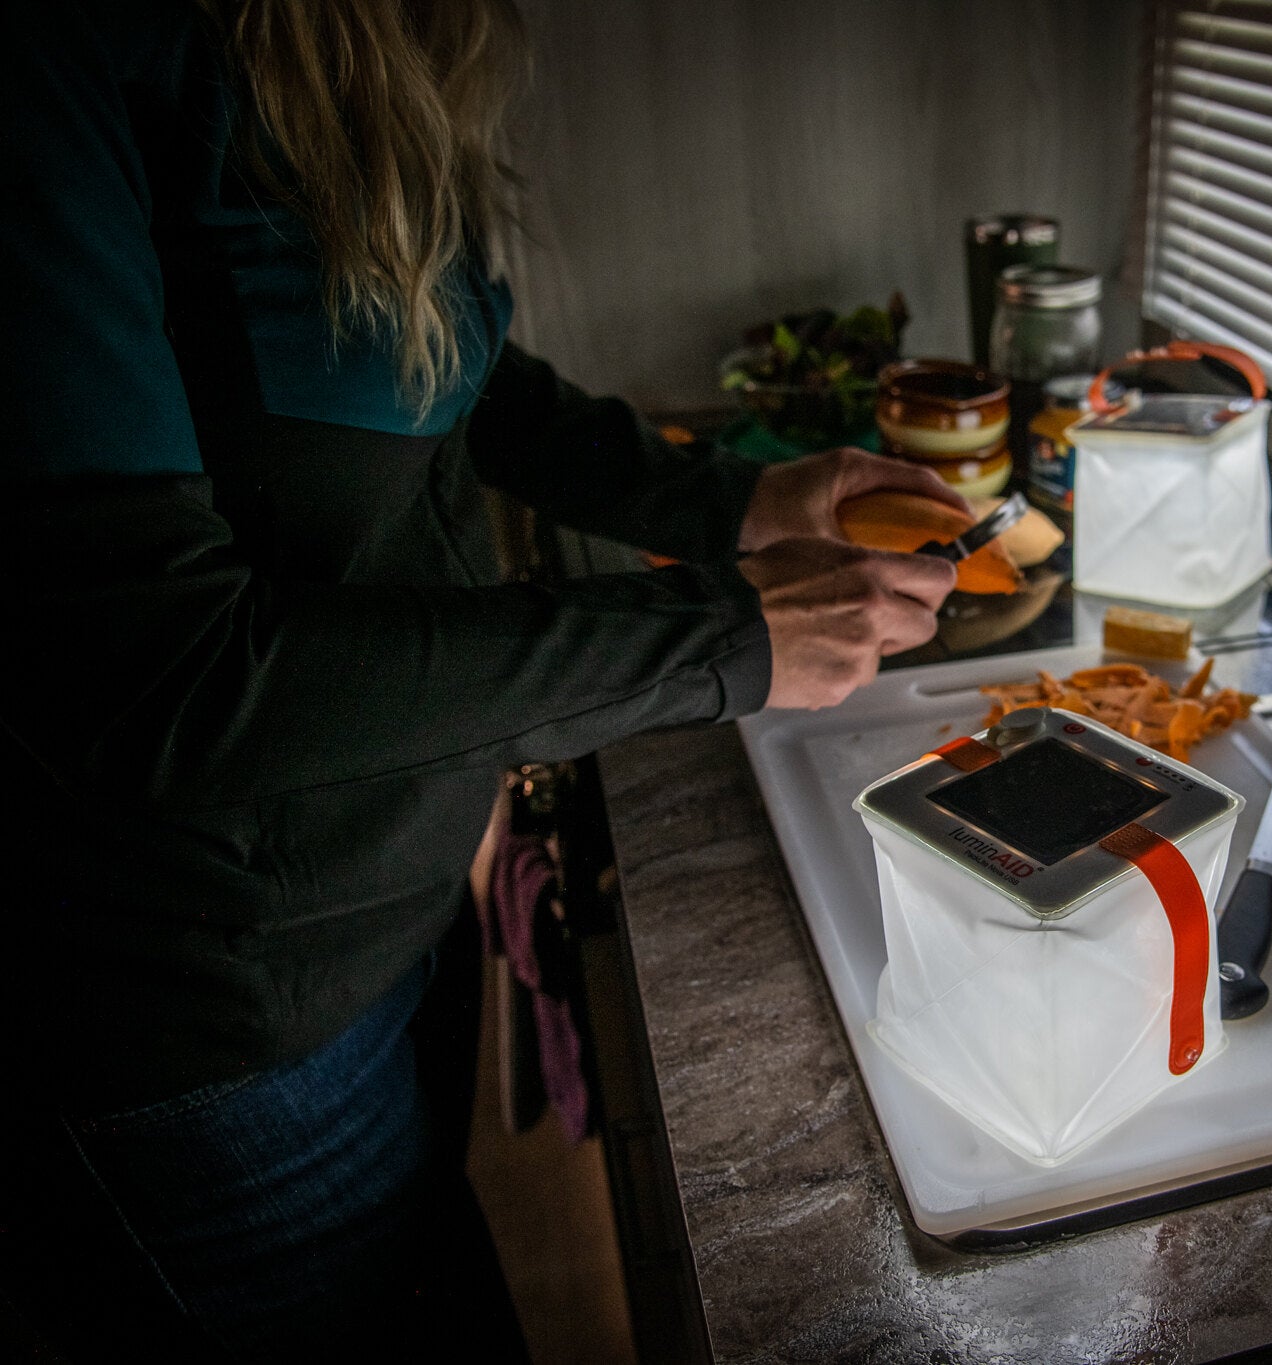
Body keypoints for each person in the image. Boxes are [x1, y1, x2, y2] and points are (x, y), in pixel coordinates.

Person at [0, 1, 962, 1358]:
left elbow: (453, 371)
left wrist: (734, 497)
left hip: (395, 915)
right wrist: (727, 635)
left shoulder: (372, 44)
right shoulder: (59, 60)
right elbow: (165, 680)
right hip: (211, 1023)